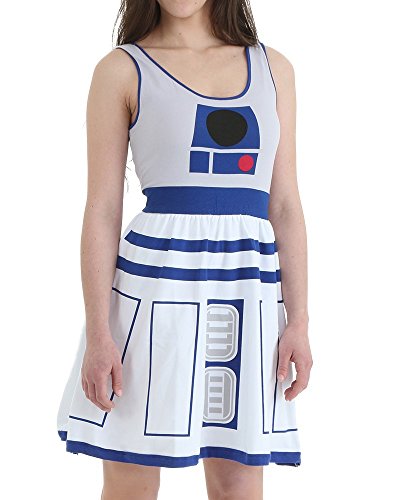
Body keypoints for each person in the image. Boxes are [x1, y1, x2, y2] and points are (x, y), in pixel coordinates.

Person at [56, 0, 313, 498]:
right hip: (155, 291)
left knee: (238, 479)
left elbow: (284, 204)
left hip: (246, 296)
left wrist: (298, 321)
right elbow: (102, 209)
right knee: (130, 474)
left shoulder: (272, 68)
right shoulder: (121, 70)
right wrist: (99, 333)